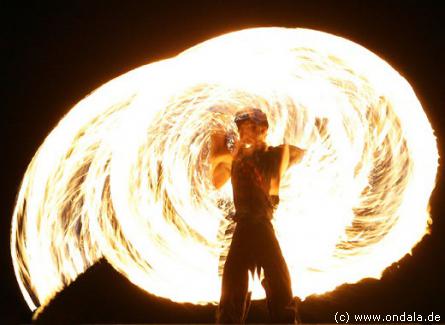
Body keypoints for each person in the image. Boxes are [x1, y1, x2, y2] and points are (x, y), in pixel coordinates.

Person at [209, 108, 305, 324]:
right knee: (231, 297)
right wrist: (218, 145)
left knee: (280, 291)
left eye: (252, 128)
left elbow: (297, 153)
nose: (246, 133)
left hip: (262, 227)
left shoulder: (273, 155)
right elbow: (215, 179)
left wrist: (276, 172)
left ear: (263, 130)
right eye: (242, 129)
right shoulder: (233, 160)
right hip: (243, 228)